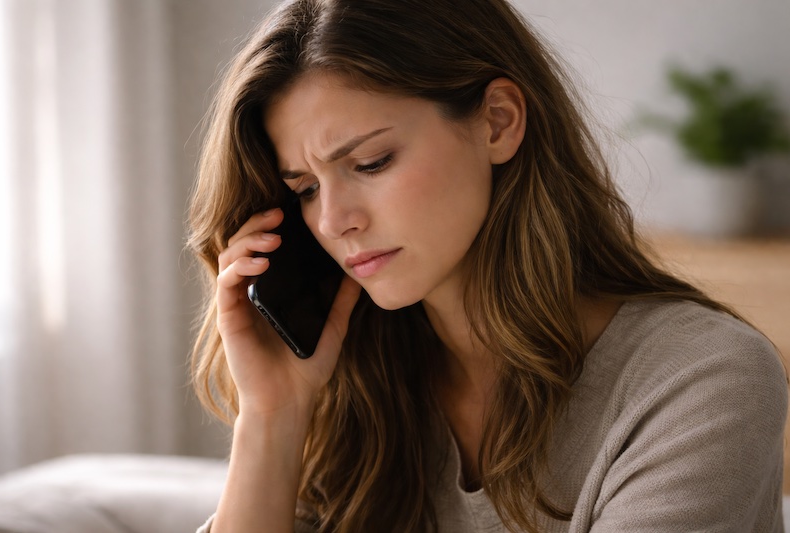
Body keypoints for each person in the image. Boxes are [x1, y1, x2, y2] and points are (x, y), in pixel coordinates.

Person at [187, 0, 788, 531]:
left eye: (370, 162)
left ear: (498, 121)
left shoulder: (701, 380)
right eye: (305, 189)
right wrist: (272, 417)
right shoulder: (361, 390)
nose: (333, 220)